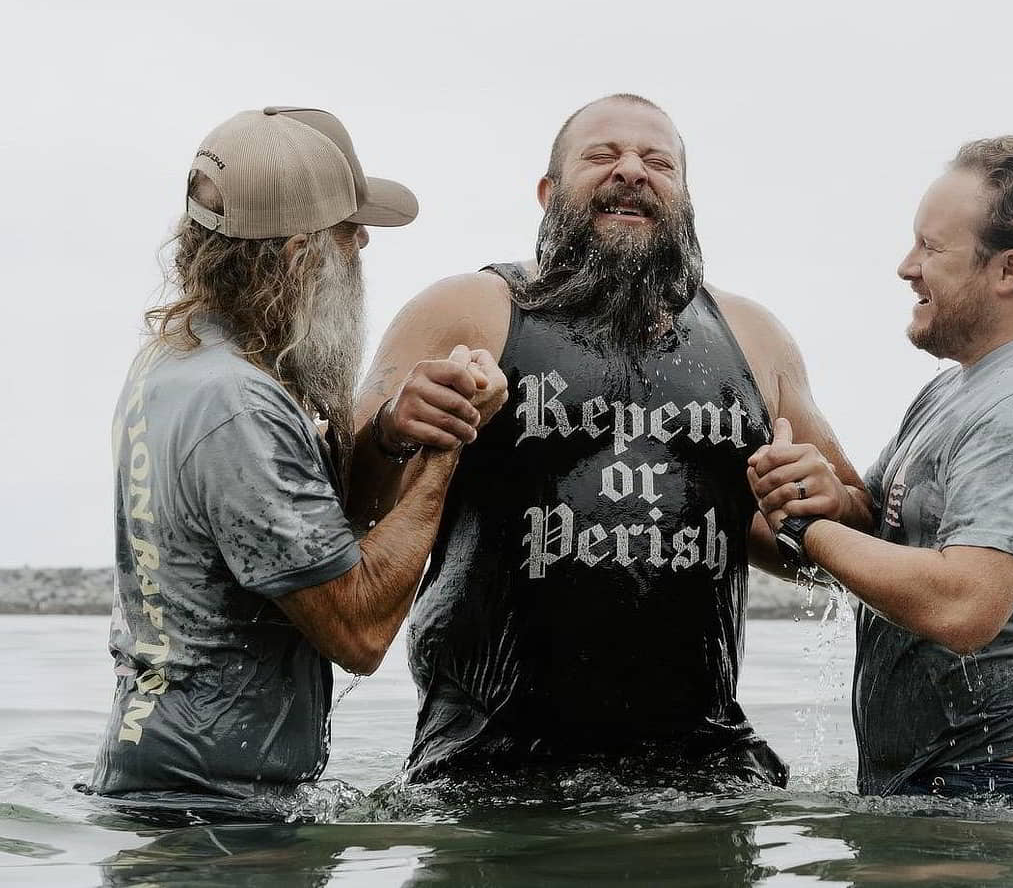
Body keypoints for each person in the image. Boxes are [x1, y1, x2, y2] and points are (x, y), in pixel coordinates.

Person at [349, 93, 874, 788]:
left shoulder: (755, 337)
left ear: (683, 199)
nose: (631, 170)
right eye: (601, 155)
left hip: (703, 773)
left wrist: (820, 505)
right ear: (547, 193)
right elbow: (348, 500)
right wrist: (391, 430)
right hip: (488, 772)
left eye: (658, 161)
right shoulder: (469, 309)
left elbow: (854, 542)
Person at [87, 106, 507, 811]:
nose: (364, 248)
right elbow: (358, 629)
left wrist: (391, 437)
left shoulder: (176, 363)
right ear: (297, 259)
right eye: (350, 236)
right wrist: (449, 442)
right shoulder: (238, 407)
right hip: (217, 815)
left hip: (168, 782)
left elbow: (302, 534)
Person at [748, 137, 1013, 800]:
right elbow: (875, 536)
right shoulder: (958, 389)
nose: (905, 267)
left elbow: (964, 604)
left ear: (1007, 270)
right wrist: (825, 501)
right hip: (944, 782)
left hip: (1001, 787)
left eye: (930, 247)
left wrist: (807, 531)